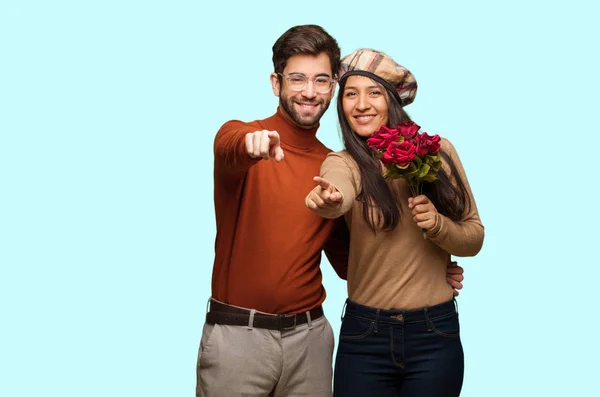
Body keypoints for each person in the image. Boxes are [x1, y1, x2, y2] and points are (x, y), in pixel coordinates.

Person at [197, 26, 465, 397]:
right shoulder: (244, 137)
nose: (309, 91)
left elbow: (355, 258)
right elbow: (228, 145)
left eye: (321, 80)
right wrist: (250, 144)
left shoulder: (336, 167)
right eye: (297, 79)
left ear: (332, 89)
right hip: (240, 339)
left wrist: (430, 270)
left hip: (311, 342)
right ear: (276, 83)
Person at [305, 48, 484, 397]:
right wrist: (326, 200)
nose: (361, 105)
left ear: (392, 100)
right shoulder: (343, 162)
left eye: (373, 93)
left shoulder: (438, 152)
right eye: (350, 94)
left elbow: (473, 238)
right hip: (364, 334)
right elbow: (335, 192)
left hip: (435, 332)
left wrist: (437, 225)